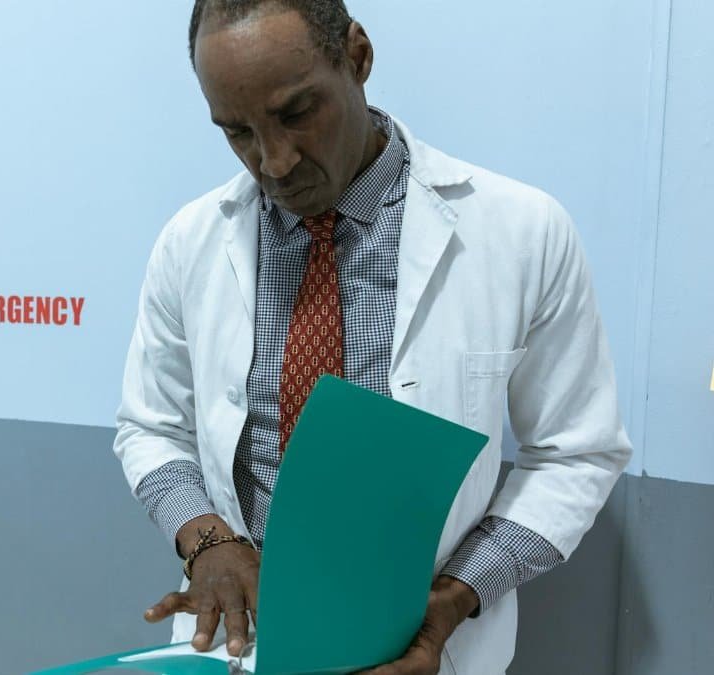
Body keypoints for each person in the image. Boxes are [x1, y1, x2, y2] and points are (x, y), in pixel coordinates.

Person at [112, 1, 632, 673]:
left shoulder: (521, 232)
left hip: (422, 648)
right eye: (238, 131)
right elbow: (151, 427)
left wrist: (454, 598)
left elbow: (575, 454)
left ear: (357, 56)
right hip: (242, 643)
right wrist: (207, 541)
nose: (274, 161)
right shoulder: (191, 242)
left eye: (298, 112)